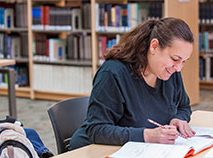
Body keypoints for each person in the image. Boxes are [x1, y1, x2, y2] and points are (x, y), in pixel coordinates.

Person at [70, 17, 196, 149]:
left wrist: (178, 119)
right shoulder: (113, 73)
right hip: (94, 153)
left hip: (140, 152)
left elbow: (184, 106)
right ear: (154, 46)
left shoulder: (170, 73)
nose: (178, 68)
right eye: (175, 59)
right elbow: (97, 129)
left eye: (184, 61)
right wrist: (147, 136)